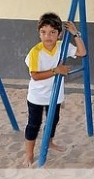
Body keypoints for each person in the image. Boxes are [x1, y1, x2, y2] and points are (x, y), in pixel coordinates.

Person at [23, 12, 87, 167]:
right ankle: (29, 154)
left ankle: (49, 142)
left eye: (52, 32)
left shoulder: (61, 46)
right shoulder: (35, 52)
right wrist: (55, 71)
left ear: (59, 34)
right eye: (43, 32)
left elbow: (82, 52)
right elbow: (35, 76)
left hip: (55, 95)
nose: (48, 36)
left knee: (52, 121)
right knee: (34, 124)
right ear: (39, 34)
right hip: (37, 96)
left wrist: (75, 33)